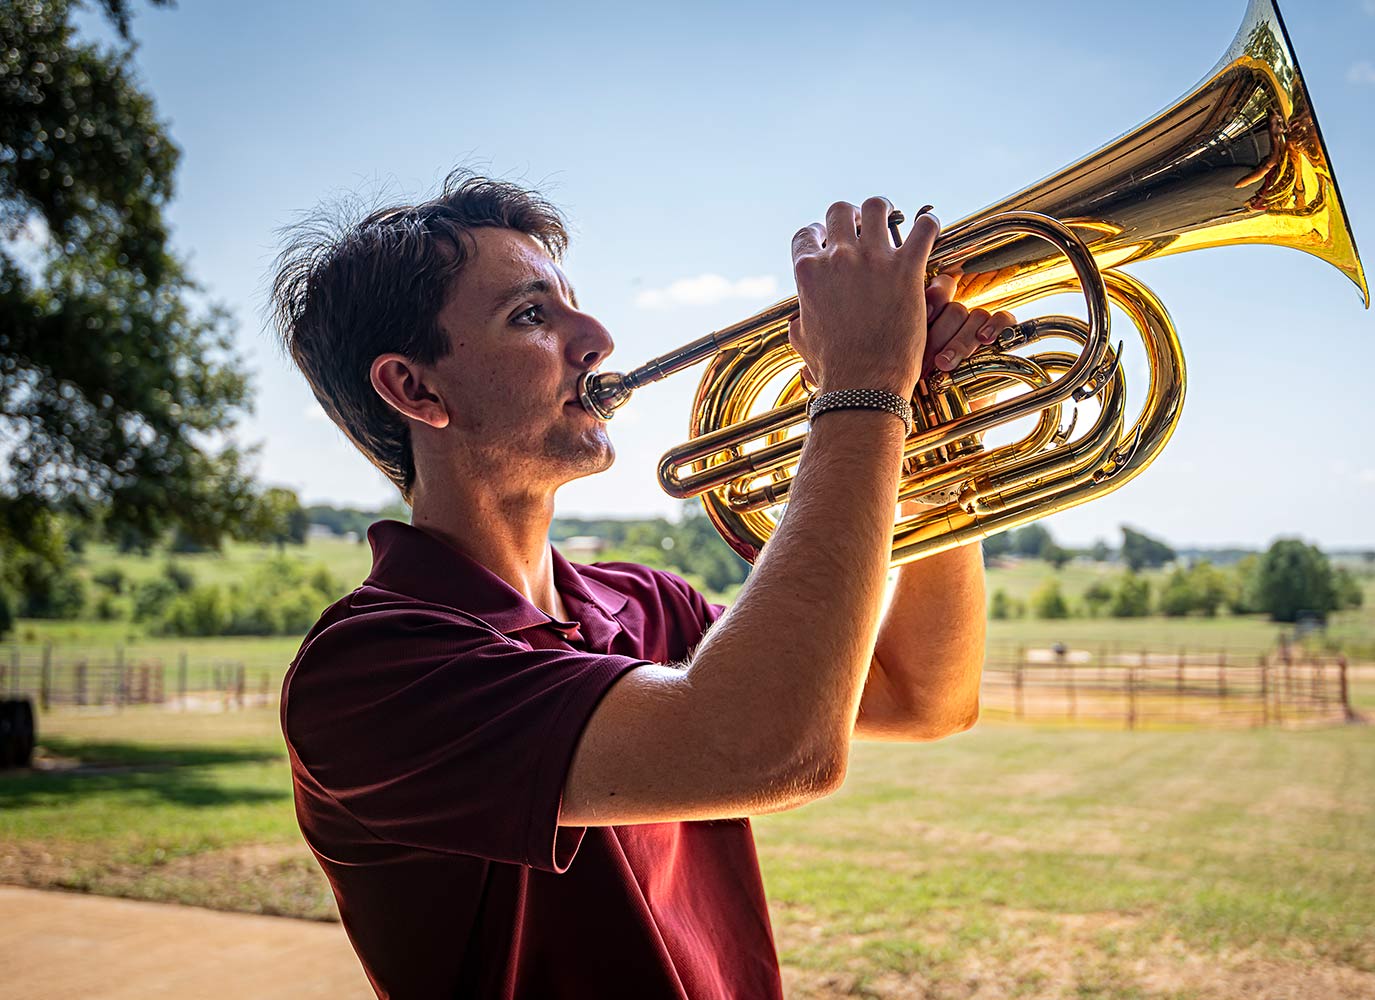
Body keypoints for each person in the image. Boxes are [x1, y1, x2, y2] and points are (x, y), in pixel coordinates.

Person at [271, 173, 1012, 999]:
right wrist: (863, 389)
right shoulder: (372, 668)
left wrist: (933, 441)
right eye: (531, 316)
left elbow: (923, 697)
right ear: (416, 388)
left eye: (572, 304)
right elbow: (773, 747)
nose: (596, 338)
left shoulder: (647, 603)